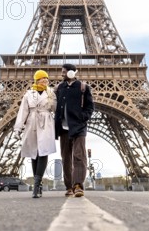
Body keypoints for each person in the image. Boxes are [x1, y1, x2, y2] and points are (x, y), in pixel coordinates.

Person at [14, 70, 57, 198]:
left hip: (46, 122)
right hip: (32, 122)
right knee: (34, 153)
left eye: (46, 79)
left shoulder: (51, 93)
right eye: (42, 79)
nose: (45, 81)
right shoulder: (28, 94)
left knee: (43, 152)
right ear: (36, 80)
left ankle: (36, 185)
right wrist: (18, 128)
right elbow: (23, 112)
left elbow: (55, 109)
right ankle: (38, 183)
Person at [54, 63, 94, 197]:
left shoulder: (83, 87)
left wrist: (82, 118)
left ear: (71, 73)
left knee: (79, 156)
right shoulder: (59, 88)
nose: (62, 74)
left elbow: (90, 107)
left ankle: (78, 185)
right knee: (65, 158)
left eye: (64, 72)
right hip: (63, 128)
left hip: (78, 126)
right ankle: (69, 186)